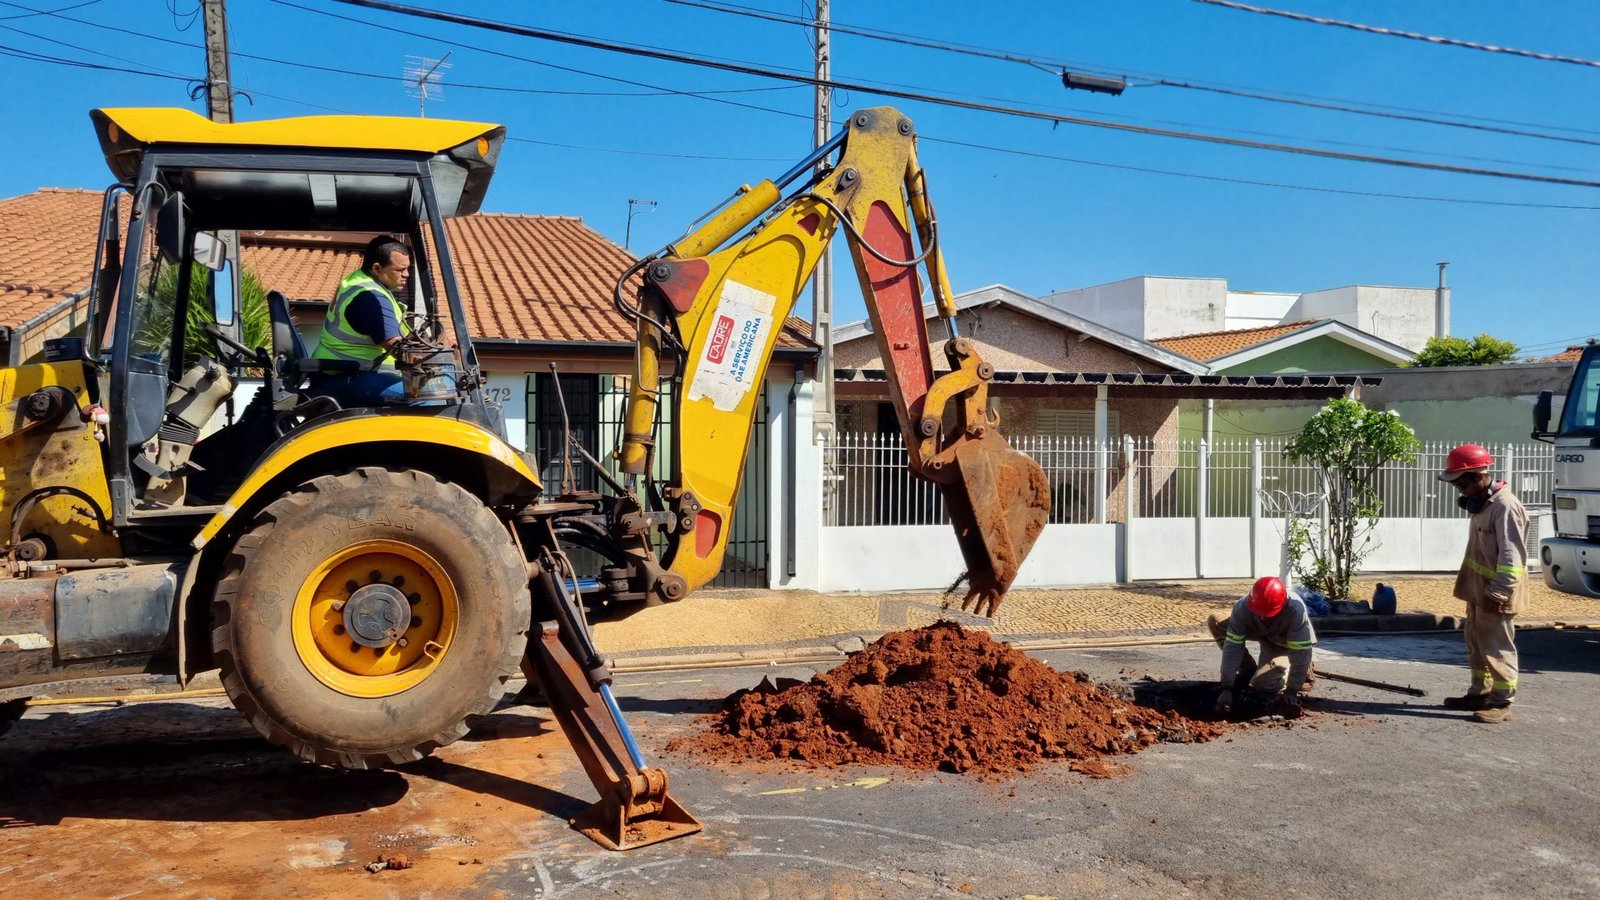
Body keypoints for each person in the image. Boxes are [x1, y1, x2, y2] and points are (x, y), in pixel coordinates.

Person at [1439, 443, 1527, 724]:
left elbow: (1513, 556)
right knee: (1476, 642)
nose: (1459, 491)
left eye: (1461, 485)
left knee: (1497, 646)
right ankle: (1480, 693)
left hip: (1496, 593)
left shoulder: (1505, 507)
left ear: (1478, 477)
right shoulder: (1484, 506)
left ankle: (1502, 703)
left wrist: (1499, 592)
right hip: (1479, 590)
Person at [307, 236, 414, 406]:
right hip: (345, 378)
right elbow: (398, 348)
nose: (406, 274)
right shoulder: (370, 297)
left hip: (343, 374)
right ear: (377, 268)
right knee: (427, 396)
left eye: (408, 268)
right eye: (400, 270)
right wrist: (437, 354)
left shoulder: (359, 282)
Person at [1210, 576, 1315, 719]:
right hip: (1260, 633)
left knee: (1262, 684)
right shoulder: (1242, 608)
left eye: (1268, 615)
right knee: (1215, 621)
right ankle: (1247, 669)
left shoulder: (1295, 611)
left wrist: (1292, 690)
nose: (1262, 618)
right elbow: (1232, 647)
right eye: (1259, 614)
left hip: (1283, 644)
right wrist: (1227, 686)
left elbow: (1301, 652)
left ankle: (1294, 669)